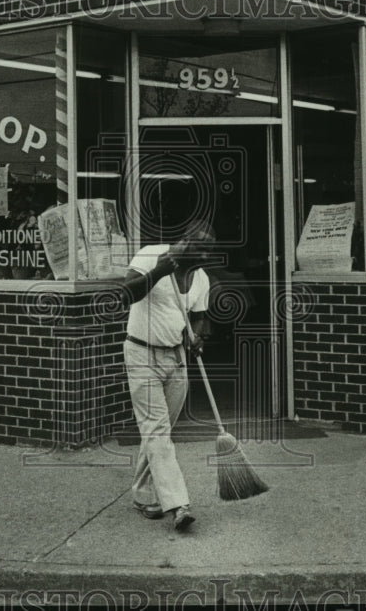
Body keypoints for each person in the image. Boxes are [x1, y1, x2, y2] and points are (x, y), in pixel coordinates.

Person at [121, 222, 214, 532]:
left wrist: (197, 336)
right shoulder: (151, 256)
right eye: (200, 247)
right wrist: (159, 272)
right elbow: (125, 294)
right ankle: (179, 504)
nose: (204, 255)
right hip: (141, 353)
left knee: (157, 433)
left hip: (176, 358)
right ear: (184, 241)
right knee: (158, 431)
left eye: (209, 251)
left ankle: (143, 494)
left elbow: (199, 317)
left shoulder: (200, 278)